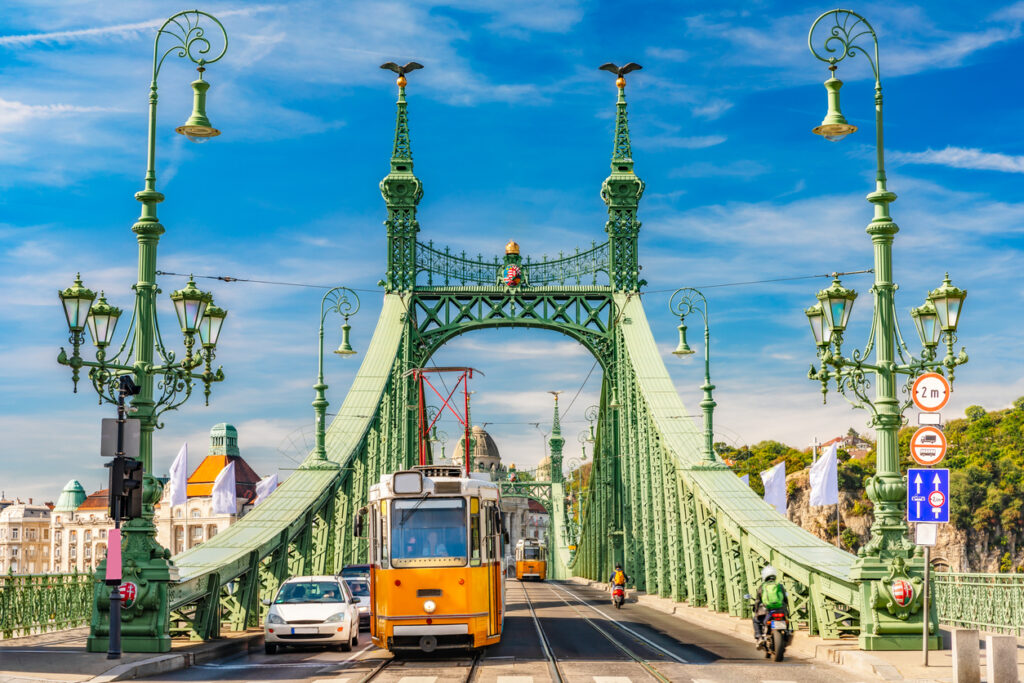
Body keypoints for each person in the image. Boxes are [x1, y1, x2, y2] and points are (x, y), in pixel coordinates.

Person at [752, 565, 787, 648]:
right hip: (780, 610)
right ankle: (787, 633)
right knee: (786, 621)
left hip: (768, 610)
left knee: (756, 620)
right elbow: (785, 599)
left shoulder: (762, 587)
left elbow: (758, 600)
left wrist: (756, 609)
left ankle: (759, 637)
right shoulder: (780, 586)